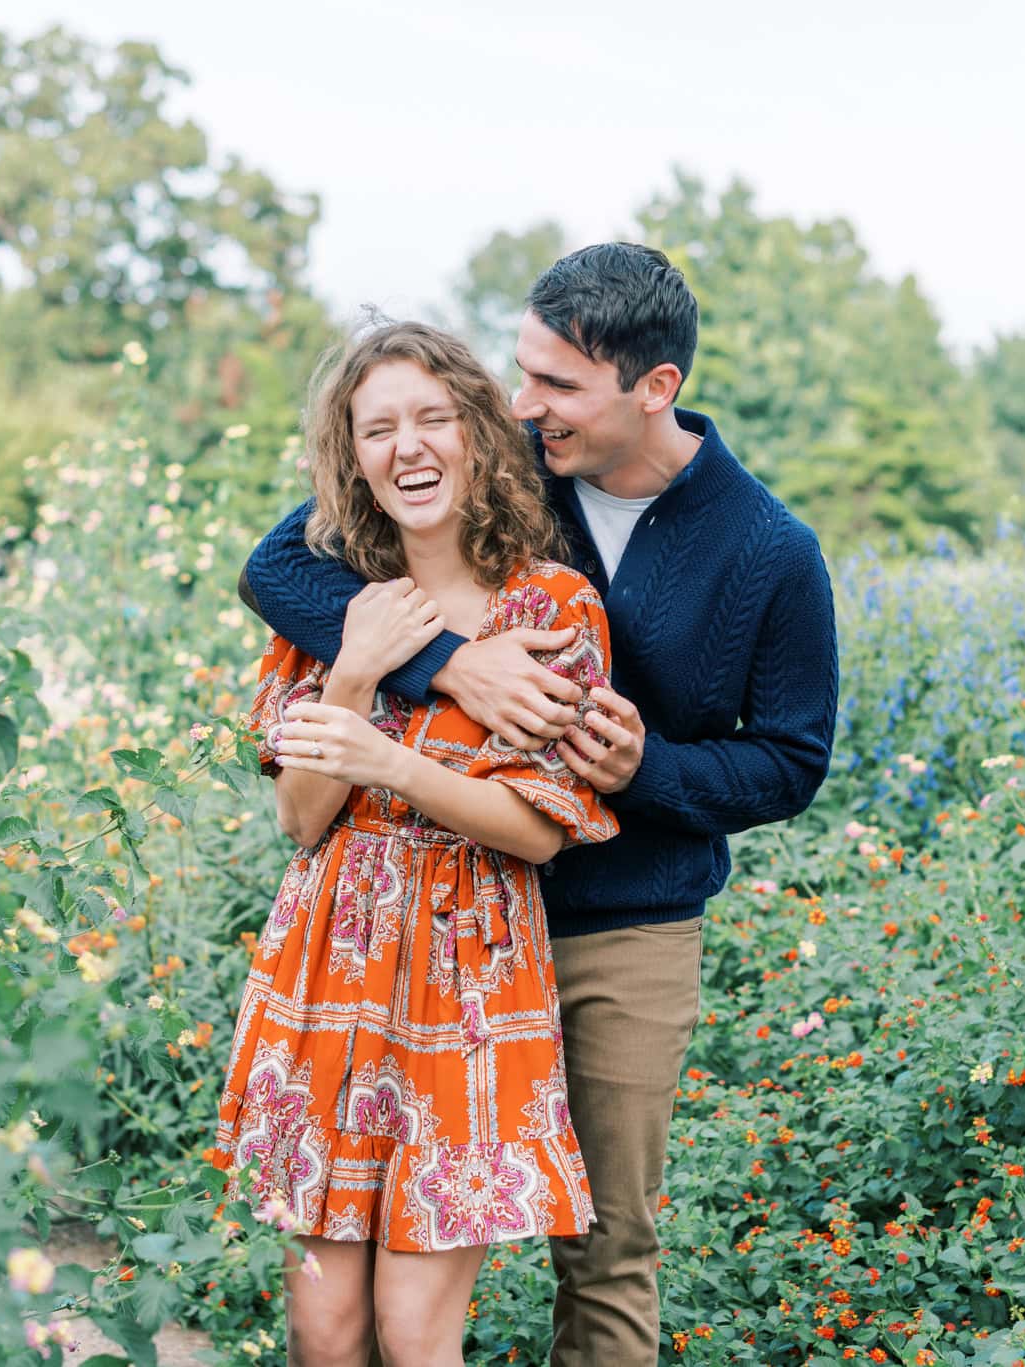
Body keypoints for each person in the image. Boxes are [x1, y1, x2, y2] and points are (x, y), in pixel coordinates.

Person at [241, 243, 839, 1365]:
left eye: (557, 385)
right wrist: (452, 666)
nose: (525, 406)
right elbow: (284, 568)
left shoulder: (768, 549)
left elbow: (791, 762)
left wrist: (643, 770)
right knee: (358, 1262)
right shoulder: (488, 453)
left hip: (623, 919)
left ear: (651, 388)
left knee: (606, 1240)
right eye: (520, 374)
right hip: (418, 928)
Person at [212, 320, 618, 1367]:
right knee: (324, 1326)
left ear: (479, 434)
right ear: (351, 455)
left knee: (412, 1329)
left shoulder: (551, 605)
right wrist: (350, 670)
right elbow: (302, 819)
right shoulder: (337, 597)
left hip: (470, 983)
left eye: (432, 417)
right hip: (329, 971)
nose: (409, 446)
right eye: (378, 426)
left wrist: (390, 762)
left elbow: (536, 829)